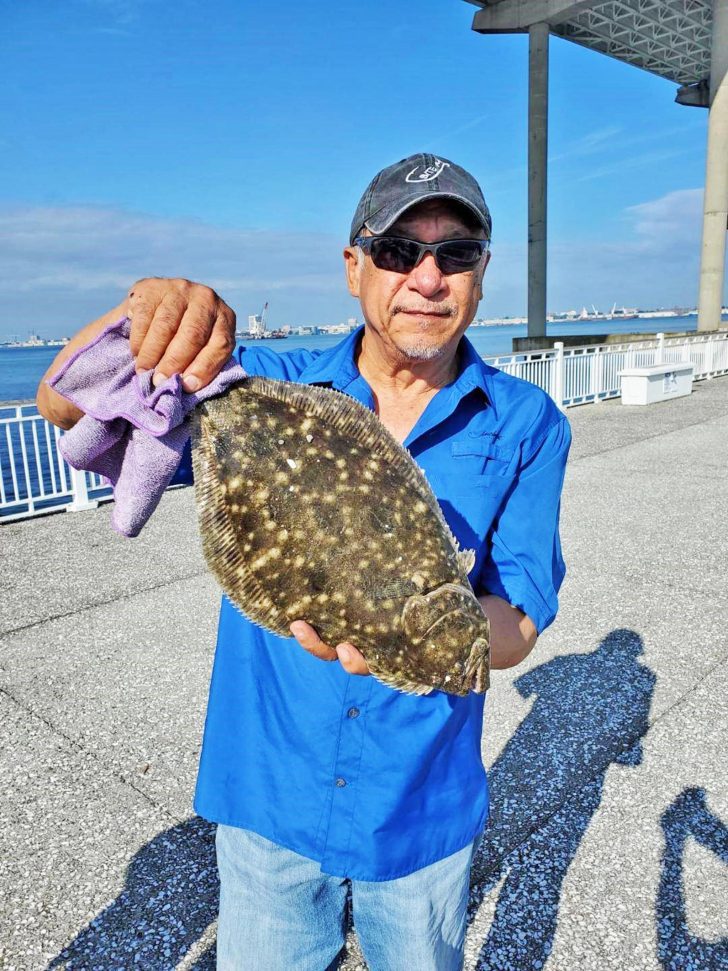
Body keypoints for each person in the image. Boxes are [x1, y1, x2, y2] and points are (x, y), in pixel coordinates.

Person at [37, 153, 571, 971]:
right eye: (398, 251)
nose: (427, 277)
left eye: (454, 254)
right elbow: (65, 404)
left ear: (481, 275)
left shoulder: (528, 421)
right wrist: (152, 316)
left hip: (419, 801)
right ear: (355, 267)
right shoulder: (259, 383)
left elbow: (521, 615)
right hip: (270, 791)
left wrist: (439, 630)